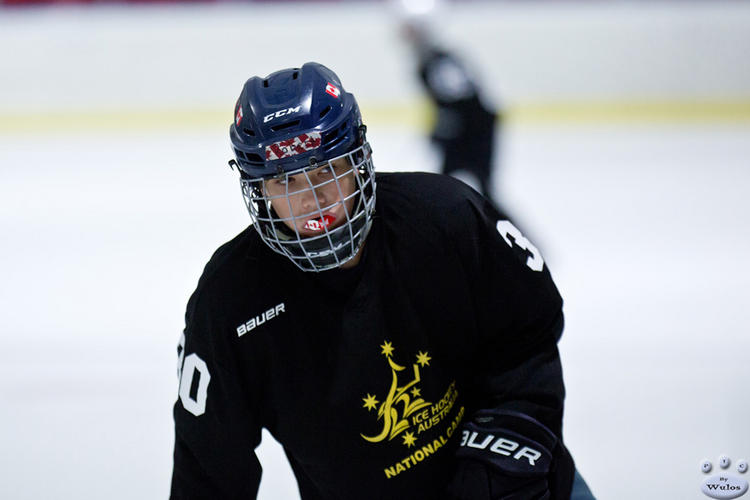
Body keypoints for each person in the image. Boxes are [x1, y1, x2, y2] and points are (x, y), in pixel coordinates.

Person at [171, 62, 594, 499]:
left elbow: (529, 335)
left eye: (324, 169)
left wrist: (503, 466)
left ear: (360, 158)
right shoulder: (230, 302)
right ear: (257, 189)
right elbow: (207, 471)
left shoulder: (447, 220)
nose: (312, 199)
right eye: (285, 180)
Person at [400, 18, 502, 207]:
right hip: (471, 128)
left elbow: (456, 99)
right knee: (449, 184)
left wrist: (441, 130)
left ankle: (497, 229)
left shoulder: (433, 64)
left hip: (473, 131)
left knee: (475, 187)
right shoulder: (440, 59)